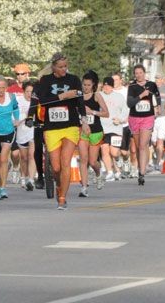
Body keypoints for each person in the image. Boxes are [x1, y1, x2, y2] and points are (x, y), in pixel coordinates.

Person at [32, 53, 84, 208]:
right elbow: (43, 101)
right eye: (60, 67)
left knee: (65, 162)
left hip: (71, 125)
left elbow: (80, 100)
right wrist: (63, 96)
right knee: (56, 167)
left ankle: (62, 197)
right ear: (53, 67)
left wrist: (84, 119)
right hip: (52, 127)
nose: (64, 69)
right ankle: (59, 185)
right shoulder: (45, 80)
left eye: (65, 66)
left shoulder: (74, 79)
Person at [76, 71, 109, 197]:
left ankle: (98, 173)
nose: (86, 87)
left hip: (95, 131)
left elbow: (106, 113)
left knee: (93, 161)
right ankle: (84, 187)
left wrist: (92, 112)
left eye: (88, 85)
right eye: (84, 85)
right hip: (82, 131)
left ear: (93, 85)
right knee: (83, 159)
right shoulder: (78, 96)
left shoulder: (97, 96)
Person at [126, 65, 160, 184]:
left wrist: (158, 107)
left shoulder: (152, 85)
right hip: (135, 118)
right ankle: (141, 167)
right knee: (137, 147)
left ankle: (141, 173)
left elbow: (157, 97)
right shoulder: (132, 86)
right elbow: (129, 103)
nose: (139, 75)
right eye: (136, 73)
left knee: (142, 145)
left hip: (147, 118)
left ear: (144, 73)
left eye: (140, 72)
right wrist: (141, 95)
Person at [99, 76, 128, 182]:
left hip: (116, 128)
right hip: (102, 128)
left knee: (114, 152)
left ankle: (118, 160)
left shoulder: (119, 97)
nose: (107, 88)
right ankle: (110, 172)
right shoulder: (98, 96)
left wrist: (120, 119)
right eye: (105, 86)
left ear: (112, 87)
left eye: (109, 86)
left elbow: (125, 110)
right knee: (104, 150)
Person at [14, 81, 36, 191]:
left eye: (31, 92)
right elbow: (14, 115)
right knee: (24, 157)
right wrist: (16, 121)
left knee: (32, 156)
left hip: (32, 131)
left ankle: (31, 180)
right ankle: (23, 177)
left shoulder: (36, 101)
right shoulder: (18, 101)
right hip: (22, 131)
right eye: (27, 91)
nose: (29, 94)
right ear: (23, 91)